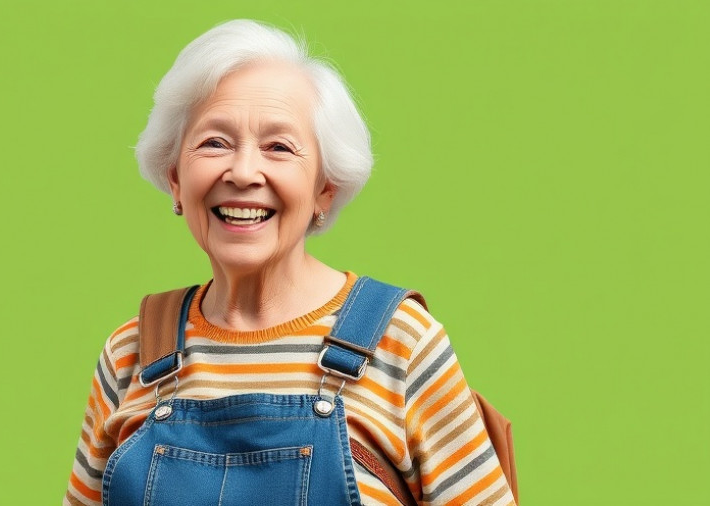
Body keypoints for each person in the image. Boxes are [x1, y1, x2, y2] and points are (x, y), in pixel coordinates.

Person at [64, 19, 517, 506]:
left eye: (279, 147)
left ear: (325, 187)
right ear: (176, 179)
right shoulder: (130, 354)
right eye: (214, 142)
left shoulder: (402, 344)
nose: (242, 172)